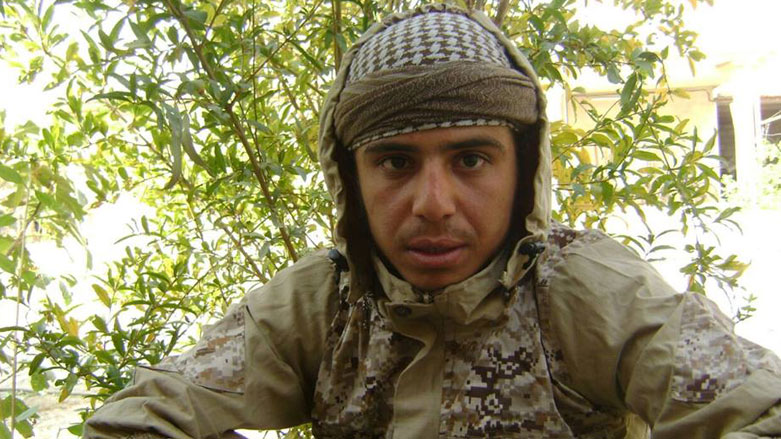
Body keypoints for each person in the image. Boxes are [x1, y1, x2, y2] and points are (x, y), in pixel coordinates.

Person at [83, 5, 781, 439]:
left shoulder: (587, 293)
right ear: (351, 180)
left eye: (471, 159)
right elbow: (137, 419)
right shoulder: (322, 305)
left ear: (522, 169)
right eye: (394, 162)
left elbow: (762, 412)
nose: (433, 204)